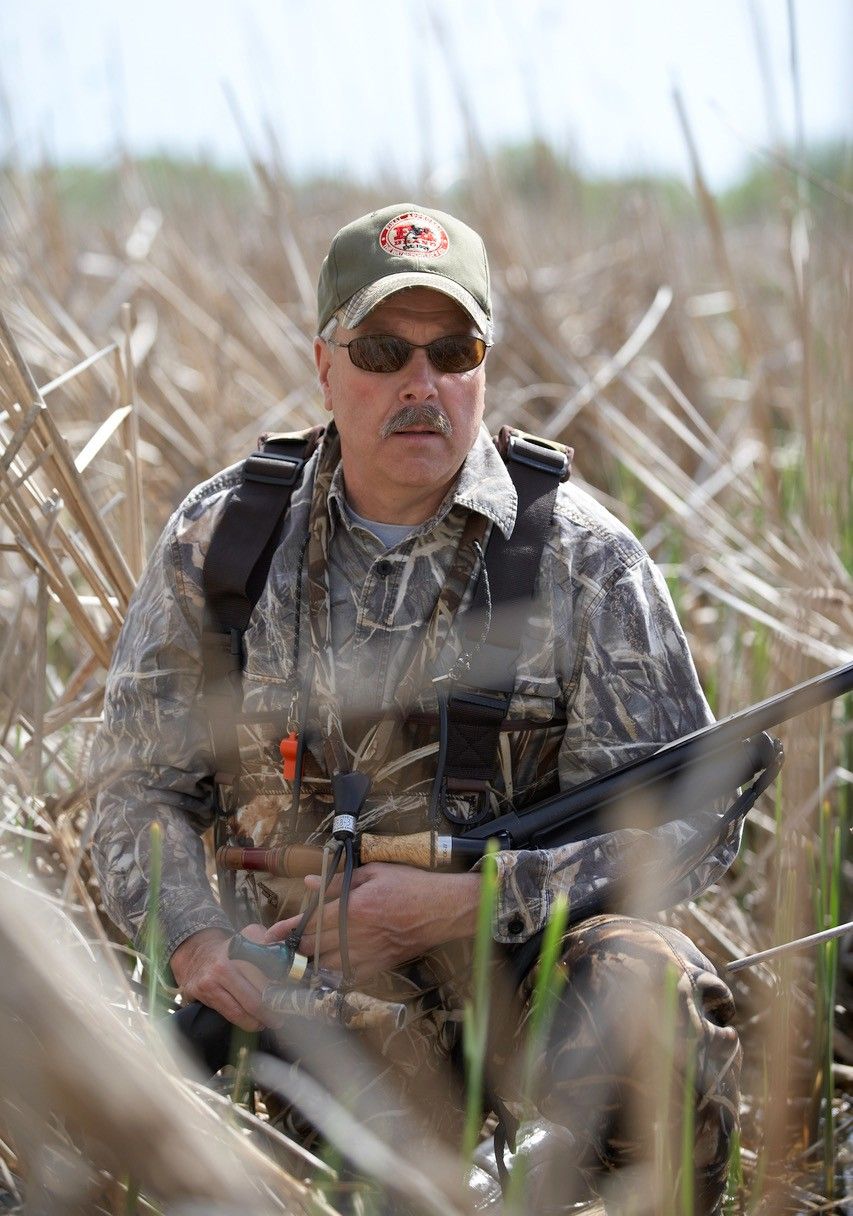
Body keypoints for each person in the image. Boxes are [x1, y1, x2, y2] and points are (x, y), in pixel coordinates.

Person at [90, 204, 741, 1213]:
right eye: (384, 348)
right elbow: (132, 790)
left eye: (454, 349)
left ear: (483, 364)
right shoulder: (221, 541)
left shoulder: (583, 556)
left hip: (523, 977)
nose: (420, 382)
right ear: (325, 362)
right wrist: (201, 945)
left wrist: (480, 902)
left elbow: (691, 817)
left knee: (651, 1002)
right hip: (294, 982)